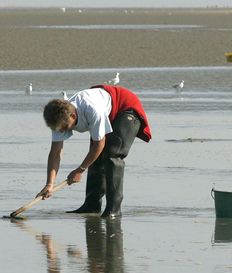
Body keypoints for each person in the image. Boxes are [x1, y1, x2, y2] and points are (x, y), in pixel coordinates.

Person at [37, 84, 151, 218]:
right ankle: (91, 206)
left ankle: (113, 210)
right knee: (95, 157)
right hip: (105, 110)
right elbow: (55, 153)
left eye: (65, 127)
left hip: (125, 107)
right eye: (59, 129)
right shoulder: (57, 120)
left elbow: (99, 144)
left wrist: (80, 170)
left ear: (73, 116)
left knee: (112, 154)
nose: (62, 131)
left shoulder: (92, 110)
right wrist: (49, 184)